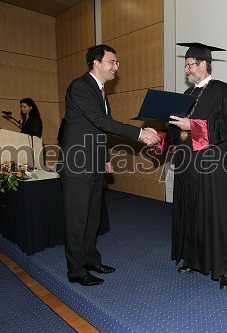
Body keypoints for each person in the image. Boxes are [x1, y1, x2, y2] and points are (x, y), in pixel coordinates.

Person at [59, 44, 158, 286]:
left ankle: (91, 258)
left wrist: (104, 159)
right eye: (112, 62)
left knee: (93, 217)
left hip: (93, 163)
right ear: (96, 63)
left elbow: (97, 130)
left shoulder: (101, 92)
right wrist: (140, 133)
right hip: (77, 165)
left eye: (116, 63)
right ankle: (76, 270)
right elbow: (101, 121)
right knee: (77, 221)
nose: (116, 67)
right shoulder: (80, 87)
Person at [167, 42, 227, 290]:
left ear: (203, 64)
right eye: (186, 65)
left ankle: (225, 269)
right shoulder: (187, 96)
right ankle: (193, 259)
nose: (187, 70)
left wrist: (194, 126)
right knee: (191, 212)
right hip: (188, 166)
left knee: (217, 216)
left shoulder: (221, 90)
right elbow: (177, 130)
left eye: (190, 65)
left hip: (213, 167)